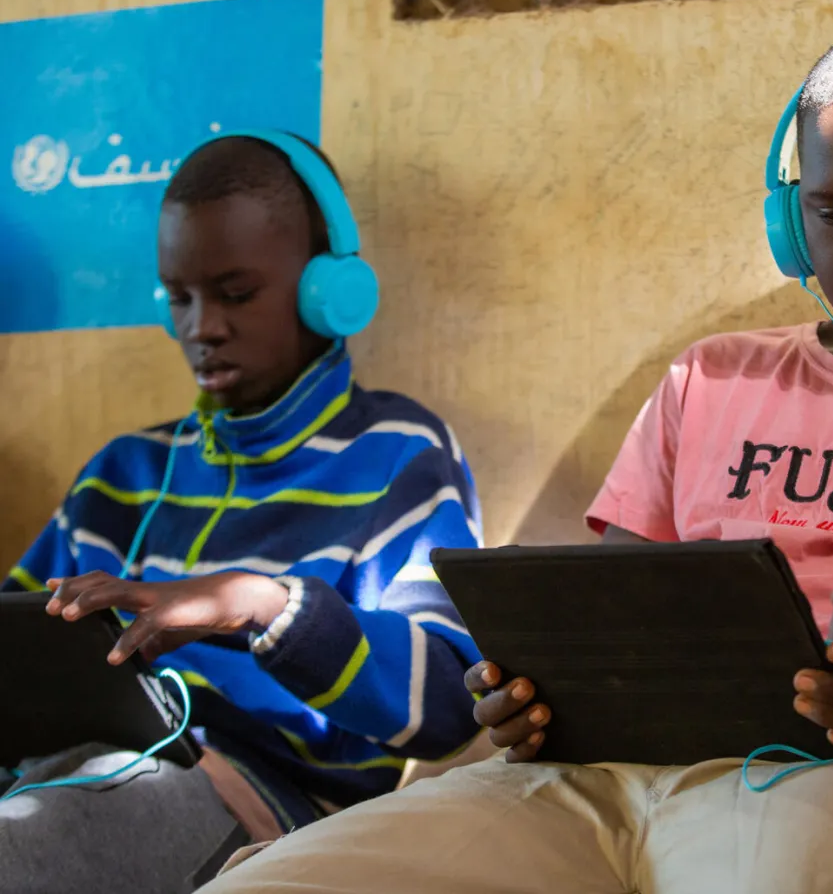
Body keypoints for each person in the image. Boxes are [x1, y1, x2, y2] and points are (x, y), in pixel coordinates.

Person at [198, 30, 833, 894]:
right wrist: (533, 691)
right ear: (793, 225)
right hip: (597, 778)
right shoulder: (710, 376)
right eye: (832, 215)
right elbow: (620, 614)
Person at [0, 134, 484, 894]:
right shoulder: (125, 474)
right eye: (181, 298)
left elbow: (449, 704)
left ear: (328, 290)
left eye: (235, 293)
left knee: (39, 843)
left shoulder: (397, 453)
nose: (202, 328)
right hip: (77, 772)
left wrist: (261, 607)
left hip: (276, 808)